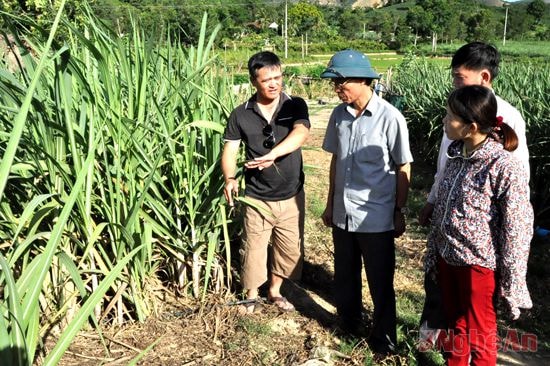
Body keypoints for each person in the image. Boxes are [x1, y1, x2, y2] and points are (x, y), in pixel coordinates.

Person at [417, 42, 531, 348]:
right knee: (447, 308)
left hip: (478, 254)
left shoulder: (505, 120)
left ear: (483, 76)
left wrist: (511, 270)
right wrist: (432, 200)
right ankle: (432, 346)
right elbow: (446, 166)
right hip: (448, 245)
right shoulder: (456, 114)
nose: (453, 83)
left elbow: (514, 198)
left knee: (476, 323)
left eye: (459, 77)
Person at [320, 49, 413, 354]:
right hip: (344, 212)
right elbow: (336, 160)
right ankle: (349, 325)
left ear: (363, 80)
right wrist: (330, 202)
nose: (337, 89)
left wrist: (398, 210)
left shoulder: (390, 117)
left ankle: (384, 340)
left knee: (380, 281)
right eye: (335, 83)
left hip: (375, 215)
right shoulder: (339, 115)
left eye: (341, 83)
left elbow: (403, 166)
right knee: (345, 274)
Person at [221, 51, 310, 314]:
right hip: (258, 196)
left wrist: (272, 154)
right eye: (266, 80)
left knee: (289, 248)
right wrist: (229, 177)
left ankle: (274, 291)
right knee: (254, 248)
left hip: (292, 194)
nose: (274, 83)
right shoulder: (240, 114)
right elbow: (230, 150)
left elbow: (301, 133)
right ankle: (250, 295)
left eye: (278, 77)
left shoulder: (295, 105)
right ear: (253, 81)